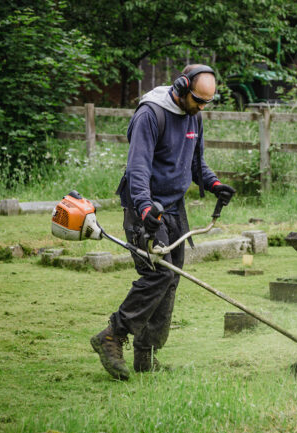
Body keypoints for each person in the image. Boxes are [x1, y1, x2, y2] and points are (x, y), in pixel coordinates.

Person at [90, 64, 236, 380]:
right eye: (198, 100)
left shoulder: (194, 116)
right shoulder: (151, 115)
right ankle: (112, 334)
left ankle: (147, 354)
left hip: (174, 210)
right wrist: (144, 208)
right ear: (182, 88)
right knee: (157, 275)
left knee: (170, 280)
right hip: (145, 209)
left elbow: (196, 164)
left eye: (207, 103)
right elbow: (138, 168)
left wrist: (213, 185)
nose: (202, 108)